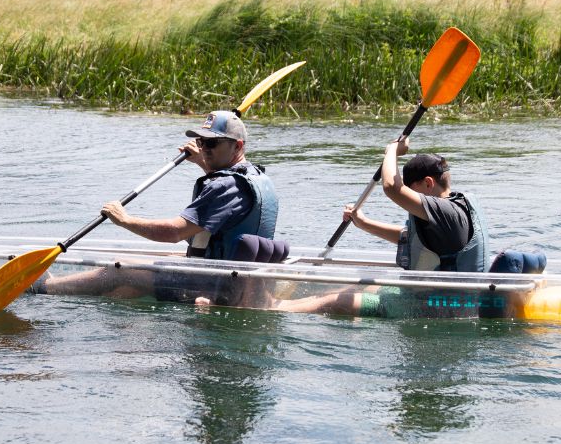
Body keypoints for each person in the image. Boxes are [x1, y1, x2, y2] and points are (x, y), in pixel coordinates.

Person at [36, 110, 282, 302]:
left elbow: (174, 232)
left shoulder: (224, 186)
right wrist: (204, 163)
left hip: (214, 285)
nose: (203, 149)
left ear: (237, 146)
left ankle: (45, 288)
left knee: (118, 269)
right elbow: (225, 207)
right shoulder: (255, 177)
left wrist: (124, 219)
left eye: (212, 144)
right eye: (201, 141)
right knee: (127, 286)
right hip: (230, 276)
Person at [274, 136, 492, 316]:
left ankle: (278, 309)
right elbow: (411, 239)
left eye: (410, 189)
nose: (407, 196)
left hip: (439, 308)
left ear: (428, 183)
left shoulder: (445, 211)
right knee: (363, 286)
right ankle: (296, 304)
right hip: (432, 298)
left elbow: (391, 187)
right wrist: (364, 223)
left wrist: (392, 151)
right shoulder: (455, 205)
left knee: (338, 302)